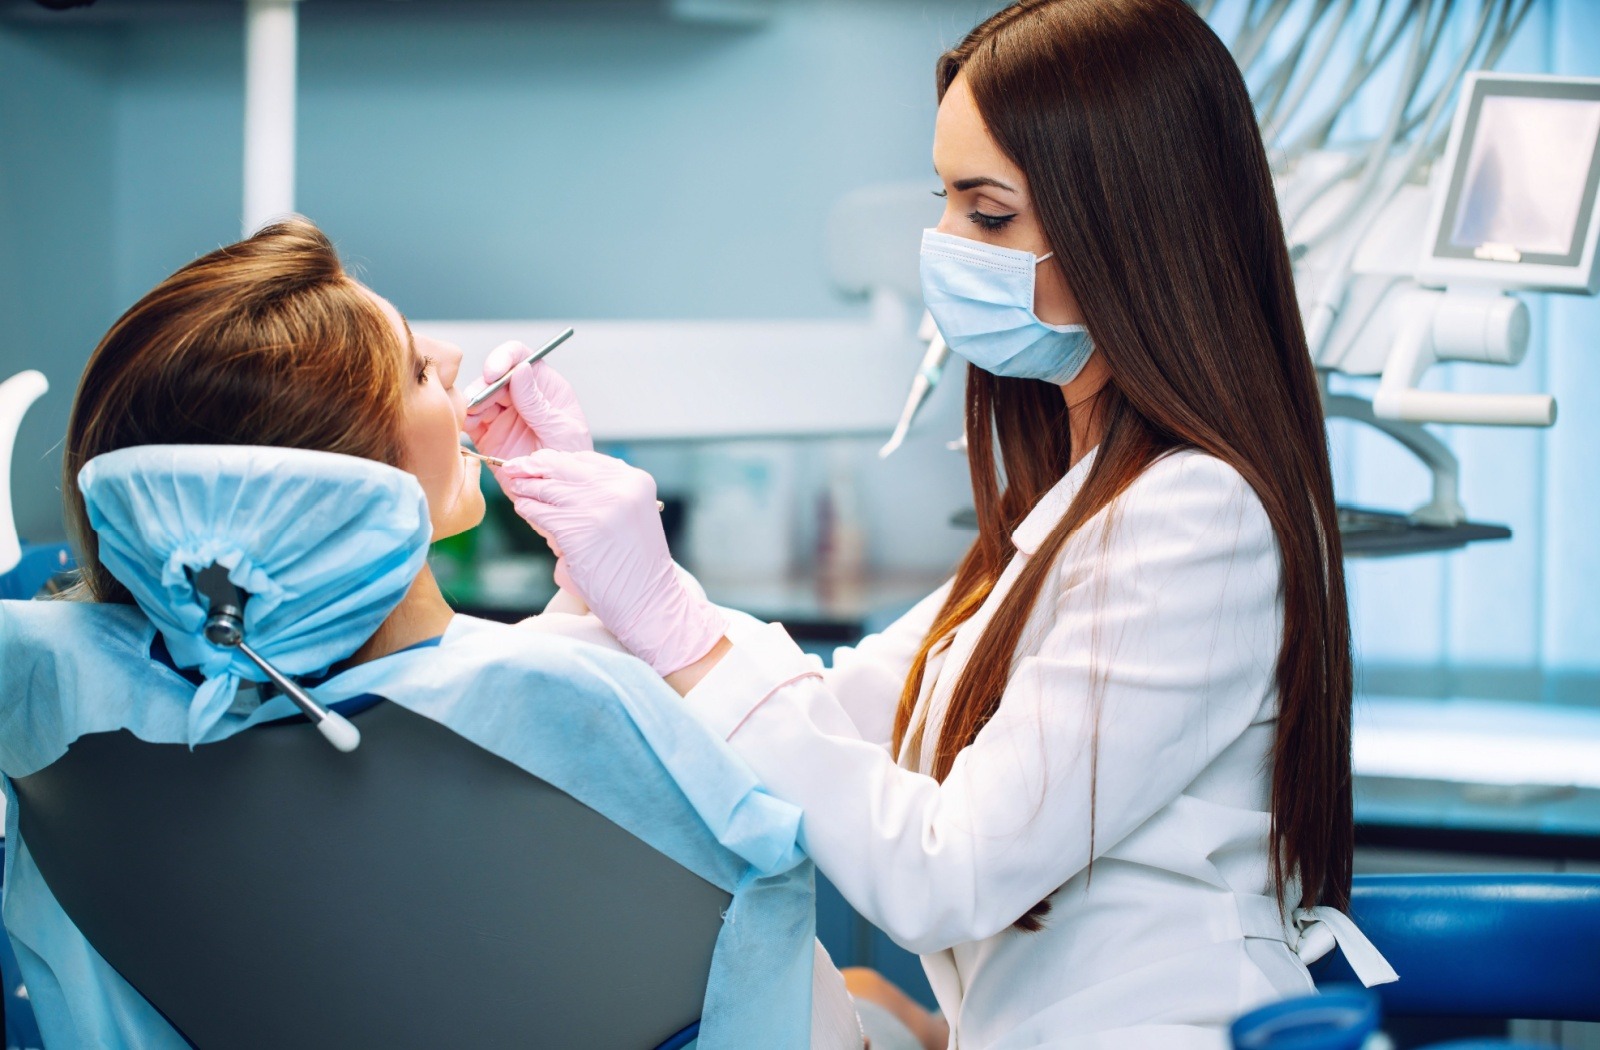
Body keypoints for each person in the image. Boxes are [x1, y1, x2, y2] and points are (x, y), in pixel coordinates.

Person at [468, 1, 1397, 1047]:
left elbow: (941, 872)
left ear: (1126, 232)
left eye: (987, 215)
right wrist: (599, 562)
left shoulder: (1196, 517)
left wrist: (666, 613)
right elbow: (843, 708)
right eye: (944, 200)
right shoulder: (1075, 508)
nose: (944, 246)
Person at [0, 218, 876, 1049]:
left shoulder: (70, 699)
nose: (452, 360)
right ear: (342, 484)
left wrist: (584, 583)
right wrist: (649, 605)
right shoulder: (571, 704)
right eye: (417, 373)